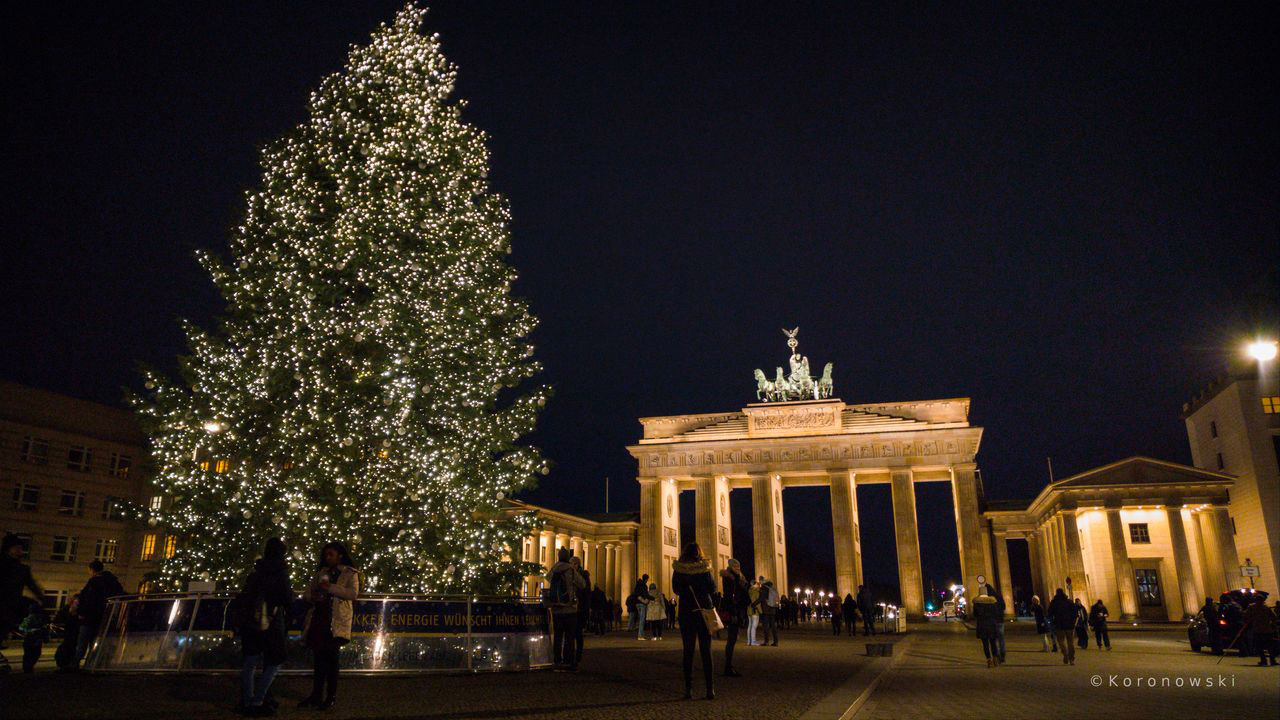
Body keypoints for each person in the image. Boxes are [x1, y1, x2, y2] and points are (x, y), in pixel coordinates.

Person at [300, 541, 360, 710]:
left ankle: (331, 696)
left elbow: (352, 593)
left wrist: (330, 588)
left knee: (332, 660)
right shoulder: (322, 572)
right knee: (319, 660)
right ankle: (316, 695)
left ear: (340, 555)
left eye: (331, 554)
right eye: (326, 555)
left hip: (336, 622)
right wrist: (312, 597)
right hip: (319, 620)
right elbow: (308, 592)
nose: (327, 558)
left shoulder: (350, 573)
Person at [237, 537, 293, 716]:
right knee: (274, 662)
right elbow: (286, 599)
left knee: (250, 662)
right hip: (272, 621)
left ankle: (247, 701)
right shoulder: (280, 573)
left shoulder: (256, 572)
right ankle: (258, 699)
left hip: (250, 623)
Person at [671, 542, 717, 700]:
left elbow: (675, 589)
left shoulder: (679, 569)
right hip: (704, 612)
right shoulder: (705, 569)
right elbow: (713, 588)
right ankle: (710, 689)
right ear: (699, 553)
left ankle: (688, 689)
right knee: (706, 650)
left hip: (686, 613)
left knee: (688, 651)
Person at [1, 534, 46, 674]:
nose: (20, 551)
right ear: (9, 549)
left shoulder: (22, 569)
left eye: (21, 548)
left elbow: (31, 585)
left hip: (10, 607)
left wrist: (41, 598)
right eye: (17, 548)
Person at [76, 560, 124, 667]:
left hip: (90, 617)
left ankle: (76, 664)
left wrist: (81, 612)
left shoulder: (94, 582)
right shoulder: (112, 581)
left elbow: (87, 599)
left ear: (92, 570)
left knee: (82, 642)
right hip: (104, 617)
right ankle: (92, 664)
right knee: (95, 643)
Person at [546, 546, 586, 669]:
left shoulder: (554, 569)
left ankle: (557, 659)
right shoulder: (570, 569)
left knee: (558, 636)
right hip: (569, 608)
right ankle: (568, 660)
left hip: (556, 608)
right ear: (568, 558)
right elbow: (582, 584)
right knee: (569, 636)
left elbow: (547, 578)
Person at [718, 559, 748, 677]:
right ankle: (728, 667)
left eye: (739, 565)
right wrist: (734, 613)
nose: (738, 567)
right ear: (730, 566)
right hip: (733, 610)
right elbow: (730, 597)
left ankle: (729, 666)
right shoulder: (730, 578)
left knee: (733, 639)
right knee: (731, 639)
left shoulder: (737, 577)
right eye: (735, 565)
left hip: (737, 609)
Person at [969, 589, 1002, 667]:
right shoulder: (993, 602)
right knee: (993, 643)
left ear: (979, 593)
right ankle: (995, 659)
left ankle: (989, 660)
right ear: (987, 593)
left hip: (982, 625)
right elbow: (997, 613)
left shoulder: (977, 603)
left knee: (985, 644)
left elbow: (975, 615)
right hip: (992, 625)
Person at [1242, 595, 1277, 666]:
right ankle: (1272, 660)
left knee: (1259, 646)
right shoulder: (1266, 608)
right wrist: (1273, 625)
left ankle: (1263, 660)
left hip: (1257, 630)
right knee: (1270, 646)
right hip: (1267, 630)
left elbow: (1245, 615)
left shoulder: (1252, 607)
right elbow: (1274, 617)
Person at [1047, 589, 1077, 665]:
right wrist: (1073, 622)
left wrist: (1052, 621)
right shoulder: (1069, 602)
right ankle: (1072, 658)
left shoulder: (1054, 602)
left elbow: (1049, 613)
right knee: (1070, 642)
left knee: (1061, 641)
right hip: (1069, 625)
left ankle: (1065, 654)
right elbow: (1075, 613)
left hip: (1059, 625)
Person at [18, 601, 48, 673]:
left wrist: (44, 636)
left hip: (36, 640)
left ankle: (28, 668)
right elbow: (21, 628)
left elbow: (44, 629)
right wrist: (31, 630)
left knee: (34, 654)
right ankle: (27, 669)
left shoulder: (40, 618)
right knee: (30, 655)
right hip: (30, 640)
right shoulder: (29, 619)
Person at [54, 594, 81, 671]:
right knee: (69, 647)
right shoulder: (67, 609)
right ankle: (65, 664)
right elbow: (59, 618)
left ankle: (68, 664)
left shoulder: (74, 609)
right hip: (70, 632)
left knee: (71, 648)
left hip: (73, 632)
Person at [572, 556, 591, 662]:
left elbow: (586, 592)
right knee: (573, 633)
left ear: (578, 564)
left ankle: (578, 654)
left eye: (575, 563)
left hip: (580, 608)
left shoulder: (583, 575)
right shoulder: (570, 574)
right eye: (572, 563)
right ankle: (572, 654)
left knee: (578, 633)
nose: (573, 566)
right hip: (573, 607)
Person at [760, 581, 779, 646]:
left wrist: (754, 604)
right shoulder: (774, 590)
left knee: (766, 626)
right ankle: (776, 642)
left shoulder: (764, 589)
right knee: (773, 626)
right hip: (772, 610)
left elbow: (761, 598)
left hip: (766, 610)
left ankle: (766, 641)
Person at [746, 579, 761, 645]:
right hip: (755, 610)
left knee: (750, 625)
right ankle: (753, 641)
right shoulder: (756, 591)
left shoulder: (749, 590)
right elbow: (757, 601)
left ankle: (749, 641)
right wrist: (760, 610)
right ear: (755, 584)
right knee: (754, 626)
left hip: (749, 609)